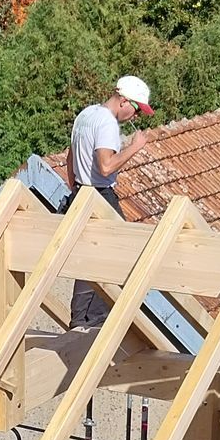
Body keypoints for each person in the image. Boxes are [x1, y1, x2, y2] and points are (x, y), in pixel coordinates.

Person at [68, 75, 153, 326]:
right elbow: (105, 167)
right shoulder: (107, 124)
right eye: (137, 110)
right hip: (100, 194)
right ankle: (96, 318)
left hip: (82, 192)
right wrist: (135, 147)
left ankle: (80, 319)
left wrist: (74, 189)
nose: (136, 117)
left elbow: (70, 157)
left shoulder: (86, 115)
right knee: (122, 251)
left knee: (89, 256)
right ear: (124, 101)